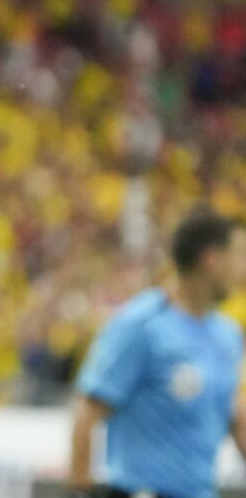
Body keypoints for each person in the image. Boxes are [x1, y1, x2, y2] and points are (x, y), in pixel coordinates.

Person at [69, 209, 246, 498]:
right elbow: (87, 414)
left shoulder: (227, 334)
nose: (243, 267)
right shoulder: (142, 325)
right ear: (212, 259)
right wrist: (79, 491)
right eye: (238, 255)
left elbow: (236, 419)